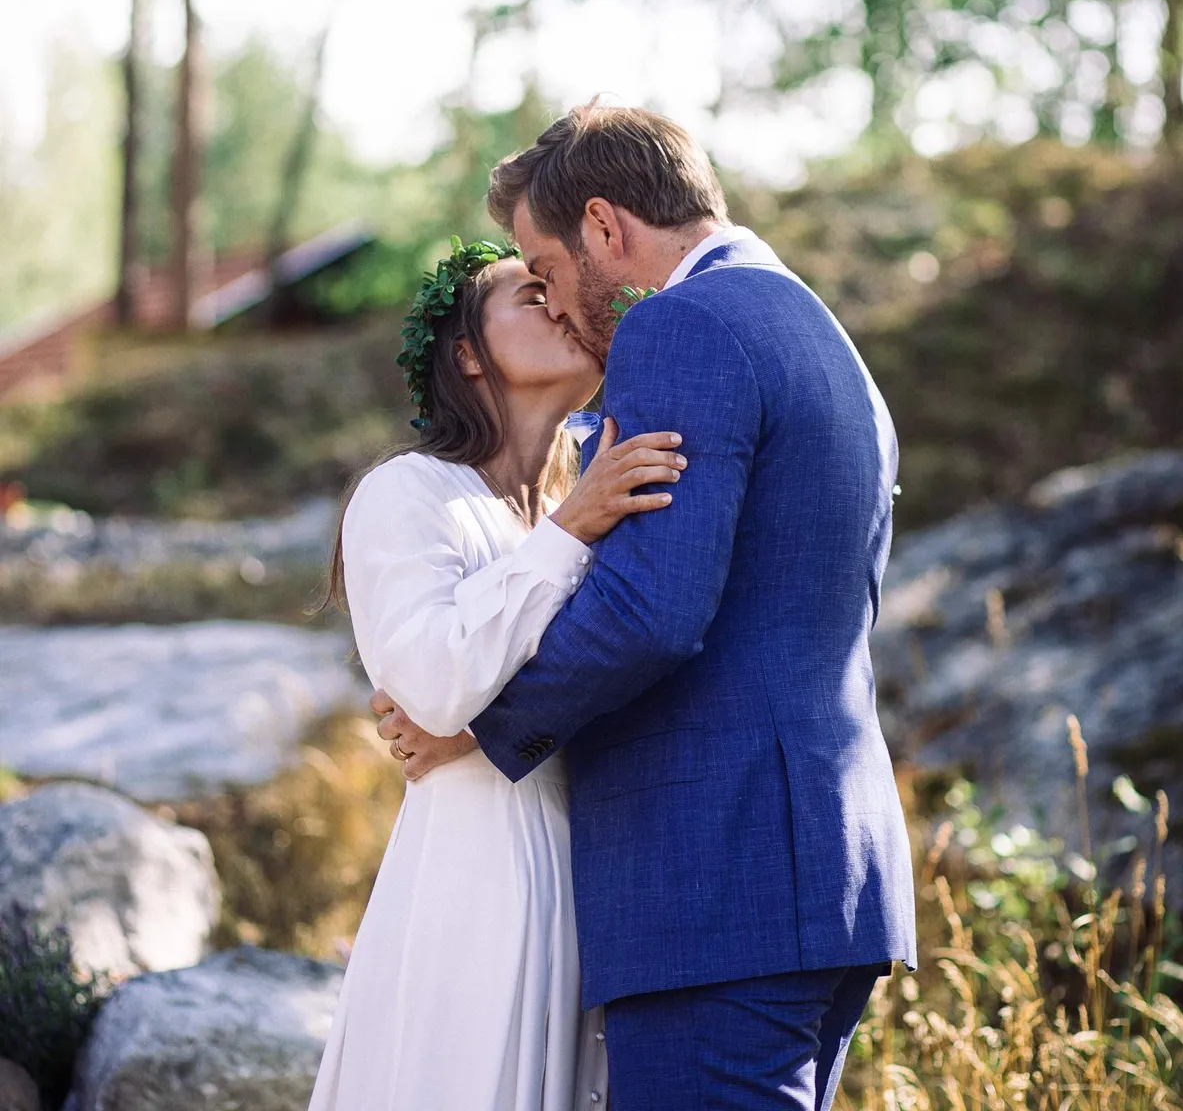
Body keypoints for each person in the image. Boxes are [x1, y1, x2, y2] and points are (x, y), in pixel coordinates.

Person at [376, 104, 917, 1111]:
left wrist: (479, 728)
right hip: (820, 878)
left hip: (714, 883)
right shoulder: (810, 325)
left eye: (545, 269)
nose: (555, 304)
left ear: (605, 228)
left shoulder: (684, 323)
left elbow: (654, 609)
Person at [308, 237, 689, 1111]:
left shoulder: (600, 494)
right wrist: (570, 530)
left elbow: (626, 667)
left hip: (598, 871)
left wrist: (475, 732)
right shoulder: (407, 494)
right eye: (530, 294)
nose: (562, 304)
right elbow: (437, 684)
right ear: (468, 354)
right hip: (472, 876)